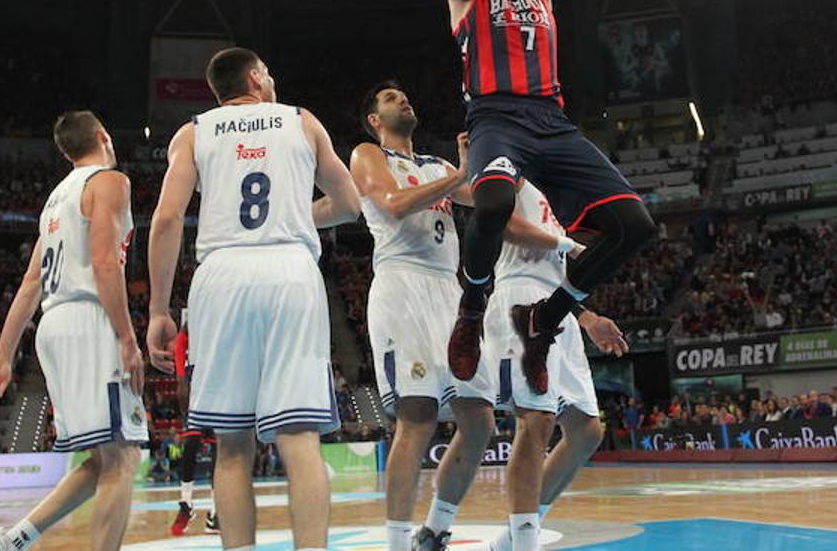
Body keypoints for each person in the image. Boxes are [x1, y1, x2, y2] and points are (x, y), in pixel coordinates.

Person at [439, 0, 656, 399]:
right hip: (495, 117)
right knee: (491, 201)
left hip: (552, 121)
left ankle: (544, 319)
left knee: (636, 227)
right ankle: (472, 306)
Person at [147, 48, 361, 551]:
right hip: (289, 270)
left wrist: (159, 309)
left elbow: (165, 219)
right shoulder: (302, 121)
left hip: (222, 274)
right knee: (300, 440)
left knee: (233, 447)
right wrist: (290, 214)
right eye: (269, 71)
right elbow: (349, 205)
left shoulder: (193, 131)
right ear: (254, 77)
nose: (273, 78)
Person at [352, 81, 577, 550]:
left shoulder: (435, 166)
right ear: (375, 120)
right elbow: (392, 205)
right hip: (402, 285)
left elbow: (493, 202)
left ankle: (433, 530)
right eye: (391, 99)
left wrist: (490, 163)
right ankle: (396, 543)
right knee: (417, 416)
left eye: (405, 94)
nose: (404, 100)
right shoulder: (368, 155)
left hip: (450, 293)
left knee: (480, 422)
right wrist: (459, 176)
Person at [0, 111, 145, 551]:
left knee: (103, 458)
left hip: (53, 326)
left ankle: (12, 541)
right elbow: (105, 263)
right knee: (123, 457)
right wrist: (126, 337)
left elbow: (30, 283)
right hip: (89, 321)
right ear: (103, 136)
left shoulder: (55, 199)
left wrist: (3, 354)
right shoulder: (110, 182)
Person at [480, 179, 628, 551]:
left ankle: (511, 539)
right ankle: (525, 543)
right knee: (536, 422)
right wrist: (571, 245)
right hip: (520, 296)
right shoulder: (509, 166)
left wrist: (588, 318)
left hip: (557, 303)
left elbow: (554, 276)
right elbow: (510, 228)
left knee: (586, 431)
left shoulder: (554, 191)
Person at [170, 310, 219, 537]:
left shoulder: (218, 331)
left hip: (218, 391)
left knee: (220, 455)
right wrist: (180, 379)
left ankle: (216, 512)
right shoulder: (186, 335)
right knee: (190, 446)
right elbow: (182, 340)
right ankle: (186, 503)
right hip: (195, 392)